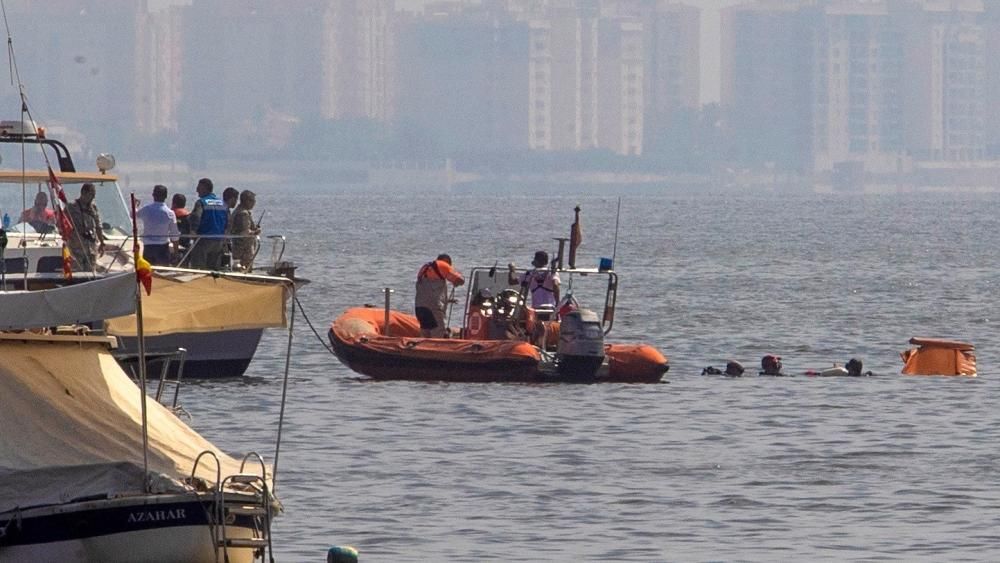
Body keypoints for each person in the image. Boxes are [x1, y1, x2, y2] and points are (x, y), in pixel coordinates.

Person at [414, 254, 465, 338]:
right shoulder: (443, 265)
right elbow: (460, 280)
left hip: (420, 308)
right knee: (438, 334)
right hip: (433, 309)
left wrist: (448, 300)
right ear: (447, 262)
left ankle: (424, 350)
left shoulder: (424, 269)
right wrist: (456, 280)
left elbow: (428, 291)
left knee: (425, 335)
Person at [187, 178, 228, 269]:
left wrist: (193, 231)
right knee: (213, 270)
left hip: (203, 239)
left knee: (198, 268)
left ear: (205, 188)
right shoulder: (223, 204)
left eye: (198, 187)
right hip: (219, 241)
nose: (196, 190)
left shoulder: (201, 202)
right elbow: (227, 221)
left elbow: (196, 217)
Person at [136, 185, 180, 266]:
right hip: (162, 248)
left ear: (153, 195)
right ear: (166, 196)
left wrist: (135, 205)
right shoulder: (170, 213)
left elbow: (134, 215)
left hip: (148, 247)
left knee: (148, 273)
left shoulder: (146, 209)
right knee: (163, 273)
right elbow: (175, 235)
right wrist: (176, 253)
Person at [66, 182, 105, 271]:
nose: (92, 197)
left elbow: (98, 226)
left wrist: (102, 243)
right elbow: (62, 223)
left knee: (91, 273)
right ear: (83, 193)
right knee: (77, 274)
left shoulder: (93, 208)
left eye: (94, 195)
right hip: (76, 248)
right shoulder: (72, 207)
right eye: (91, 194)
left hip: (91, 248)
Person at [228, 190, 260, 271]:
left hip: (240, 249)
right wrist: (255, 232)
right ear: (247, 201)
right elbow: (244, 232)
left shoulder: (239, 211)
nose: (254, 203)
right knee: (244, 270)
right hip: (244, 250)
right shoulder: (243, 214)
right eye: (252, 201)